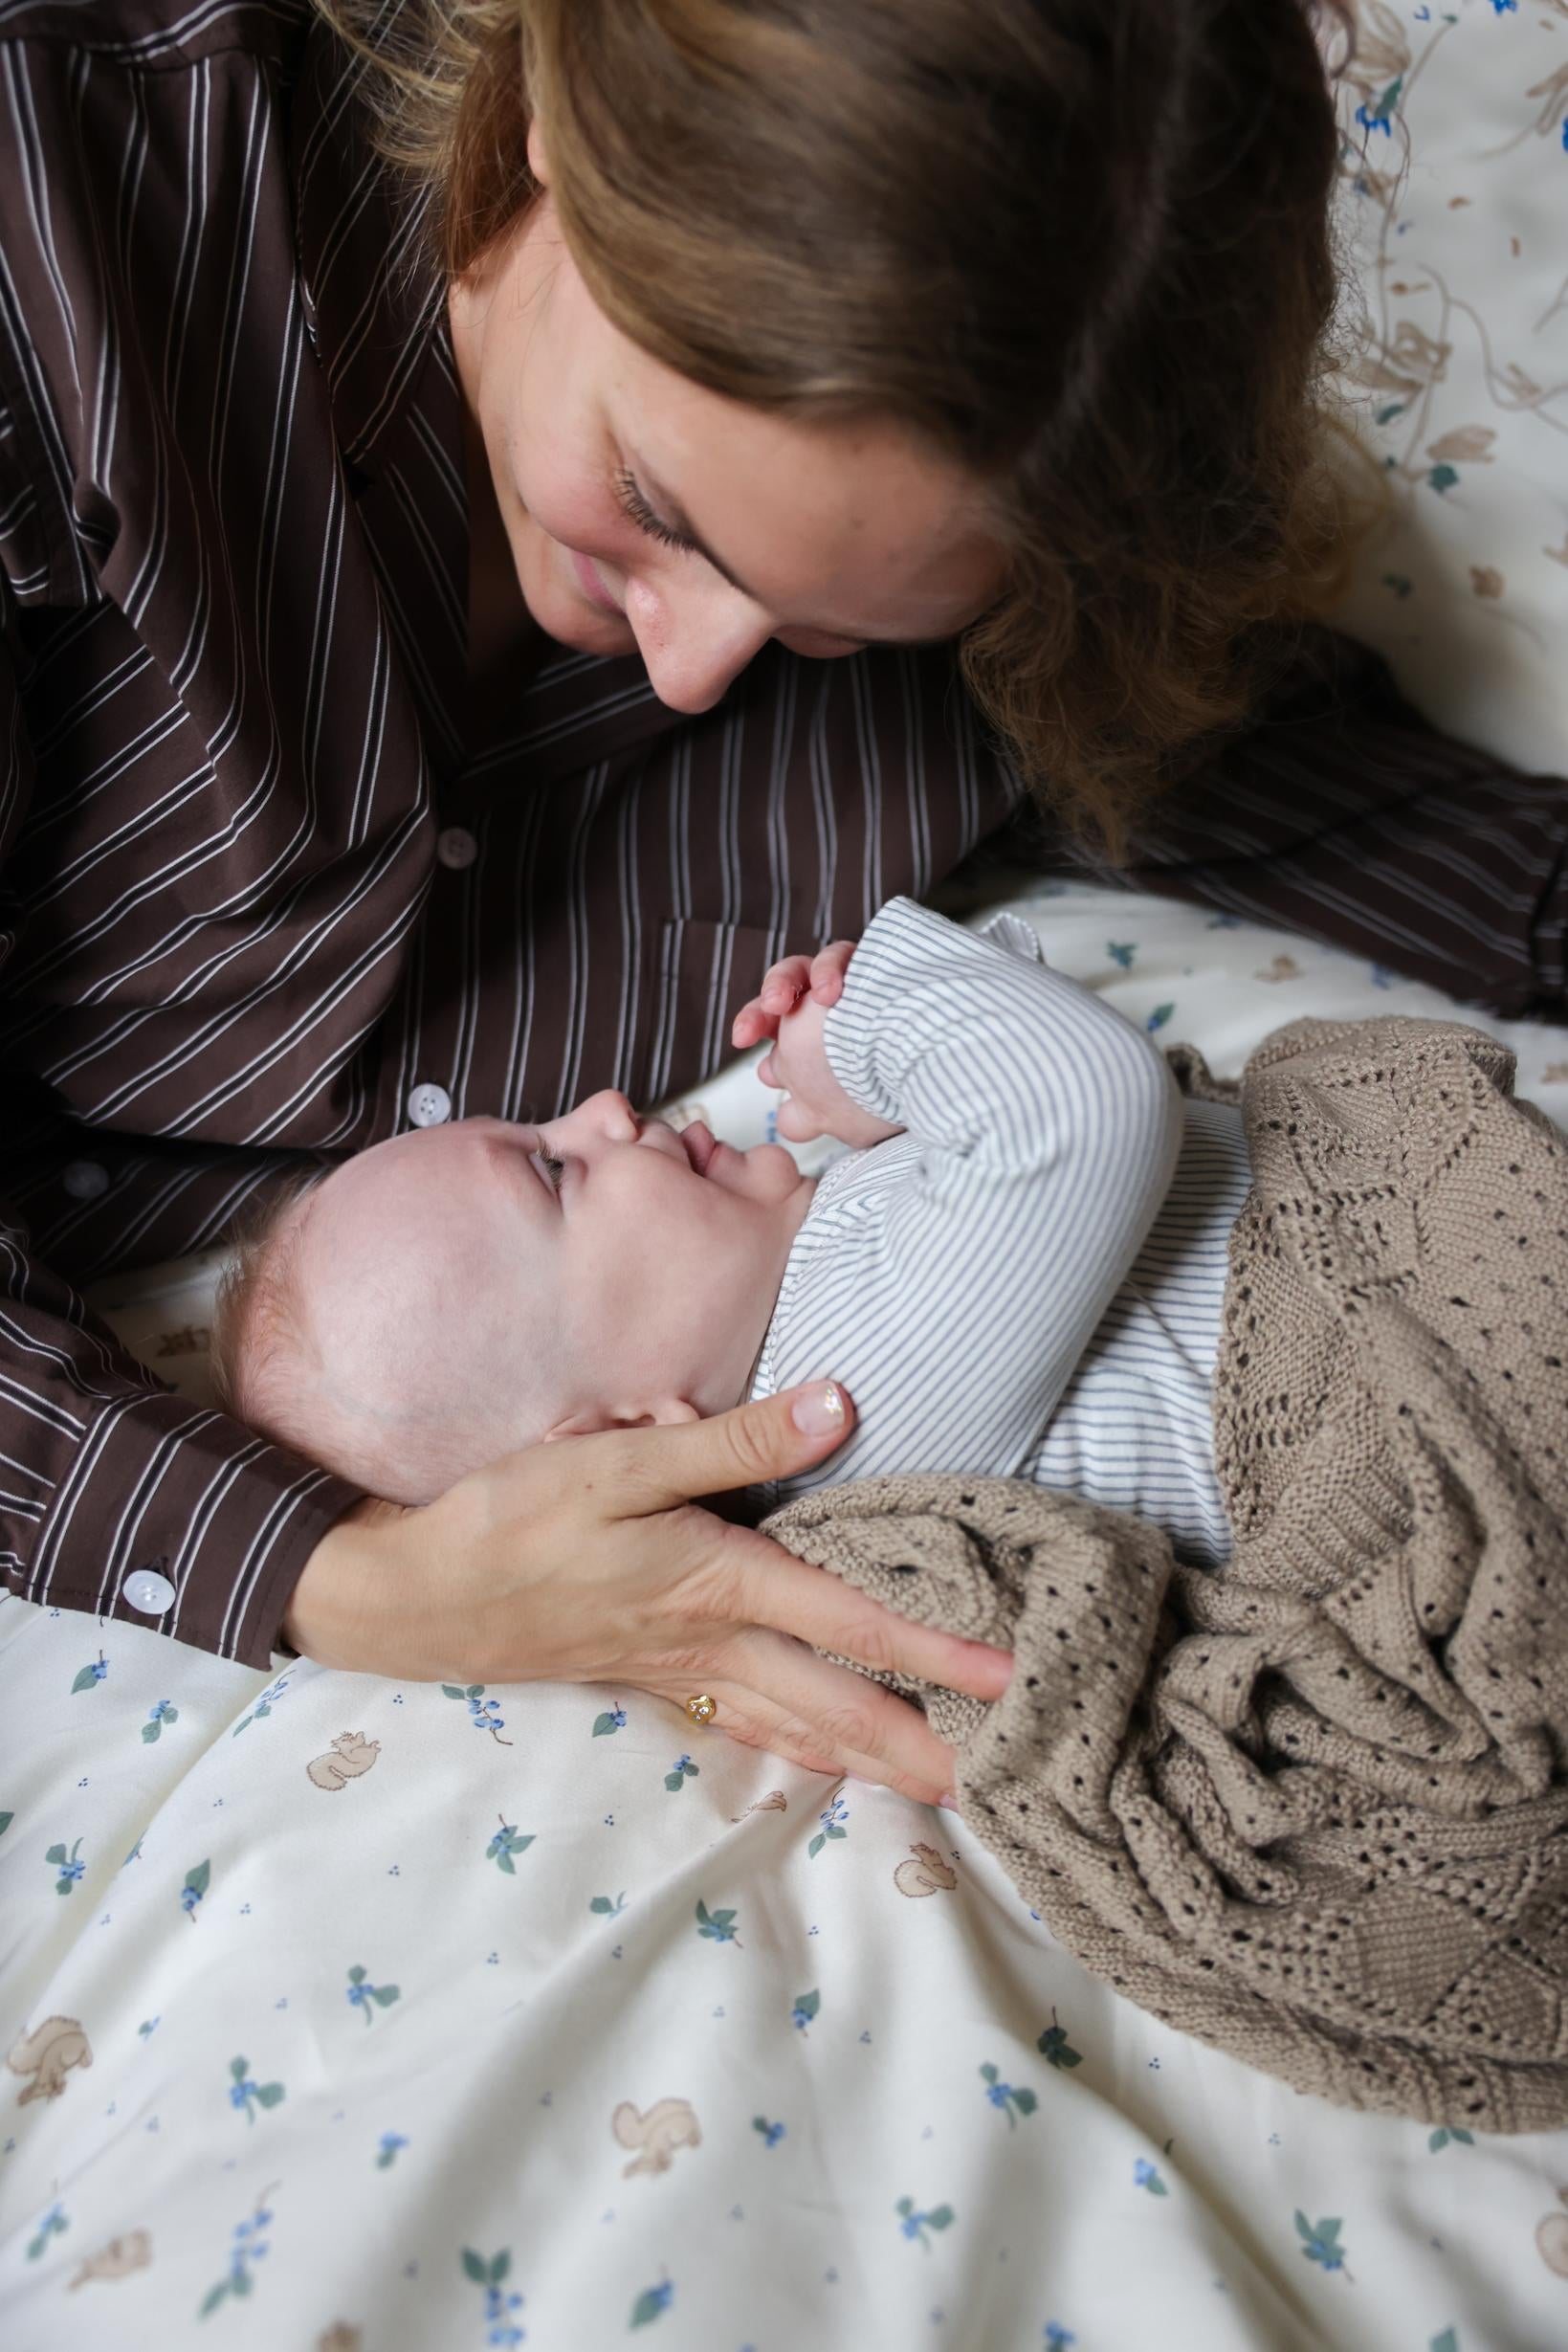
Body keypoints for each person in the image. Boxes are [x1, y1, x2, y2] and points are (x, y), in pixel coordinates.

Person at [1, 0, 1562, 1803]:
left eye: (827, 630)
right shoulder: (71, 235)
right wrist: (341, 1572)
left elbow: (1222, 762)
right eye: (652, 507)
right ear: (548, 129)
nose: (691, 672)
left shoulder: (1008, 512)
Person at [210, 899, 1248, 1568]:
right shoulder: (845, 1401)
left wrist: (880, 1090)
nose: (607, 1107)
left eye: (545, 1118)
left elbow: (1037, 1095)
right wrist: (870, 1022)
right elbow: (1085, 1090)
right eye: (555, 1166)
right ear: (628, 1434)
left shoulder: (822, 1278)